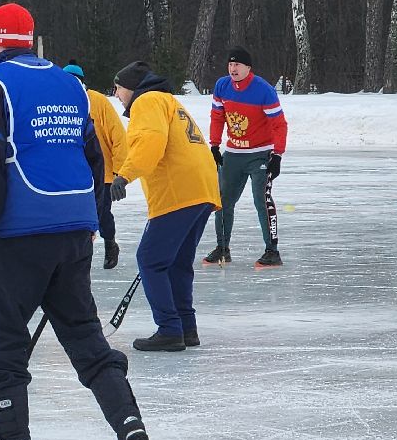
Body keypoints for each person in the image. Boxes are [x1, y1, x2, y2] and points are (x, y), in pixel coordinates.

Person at [0, 3, 148, 440]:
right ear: (29, 40)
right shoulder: (70, 84)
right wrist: (99, 226)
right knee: (84, 334)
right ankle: (129, 422)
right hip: (73, 227)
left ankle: (11, 437)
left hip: (22, 230)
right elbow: (94, 159)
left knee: (0, 335)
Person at [109, 61, 222, 352]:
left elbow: (150, 142)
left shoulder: (146, 101)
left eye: (118, 87)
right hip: (202, 188)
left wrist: (125, 175)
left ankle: (170, 329)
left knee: (150, 259)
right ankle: (186, 327)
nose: (116, 93)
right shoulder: (167, 101)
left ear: (131, 87)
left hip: (178, 191)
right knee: (177, 263)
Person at [205, 46, 288, 267]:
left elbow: (279, 125)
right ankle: (223, 248)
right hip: (233, 153)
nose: (233, 69)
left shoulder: (263, 90)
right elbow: (217, 116)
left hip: (260, 153)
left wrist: (277, 155)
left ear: (248, 68)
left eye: (237, 65)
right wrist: (214, 145)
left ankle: (272, 251)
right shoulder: (222, 86)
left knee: (261, 200)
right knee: (223, 201)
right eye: (230, 65)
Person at [64, 60, 128, 269]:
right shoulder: (60, 102)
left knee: (101, 214)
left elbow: (118, 136)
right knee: (76, 214)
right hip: (74, 173)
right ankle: (79, 254)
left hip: (103, 173)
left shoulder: (97, 101)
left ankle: (110, 243)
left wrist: (120, 172)